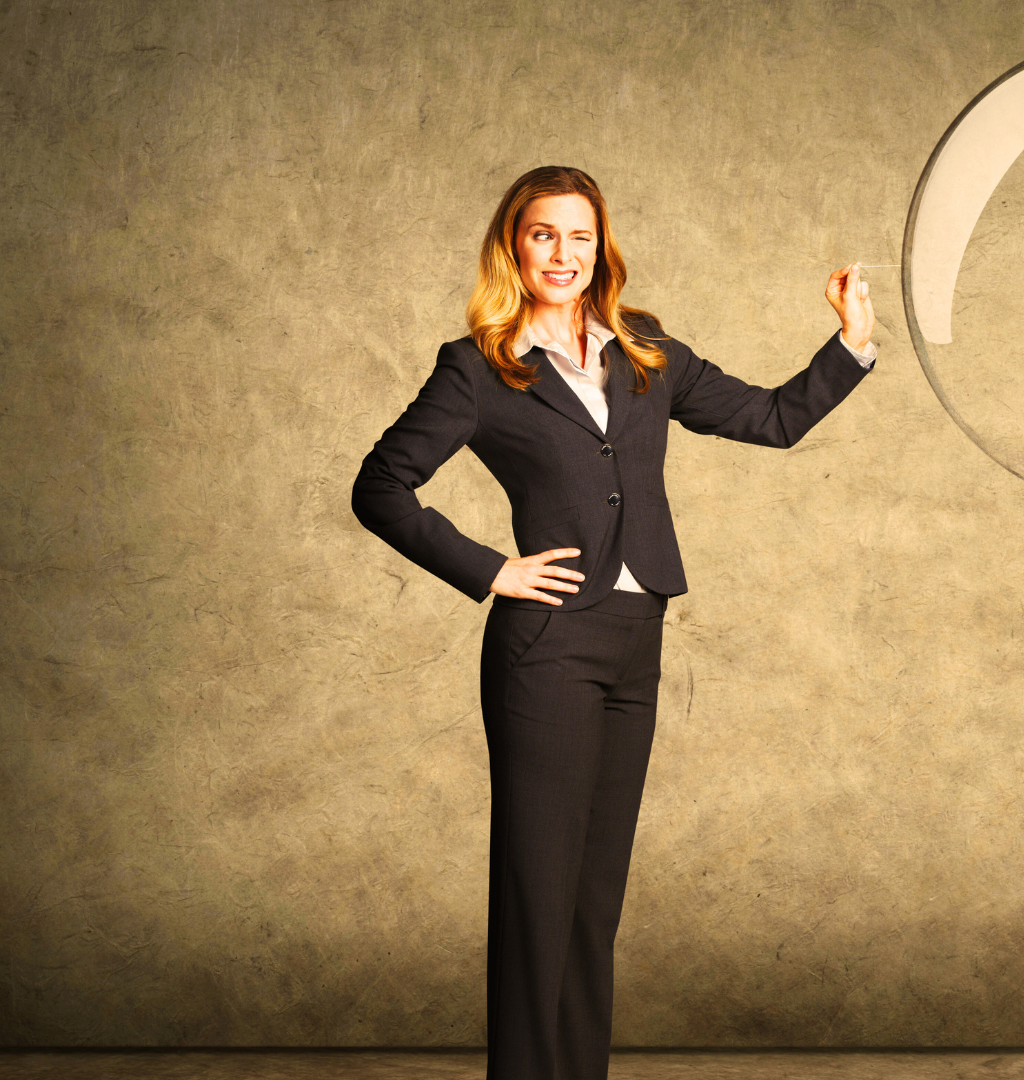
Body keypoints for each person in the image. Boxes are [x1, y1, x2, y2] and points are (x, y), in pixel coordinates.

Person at [350, 165, 874, 1079]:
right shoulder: (479, 366)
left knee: (594, 905)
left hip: (636, 646)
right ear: (515, 245)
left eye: (580, 236)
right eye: (544, 234)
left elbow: (771, 418)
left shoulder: (644, 347)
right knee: (538, 902)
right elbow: (379, 487)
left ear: (603, 246)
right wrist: (492, 571)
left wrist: (850, 344)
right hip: (546, 653)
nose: (563, 253)